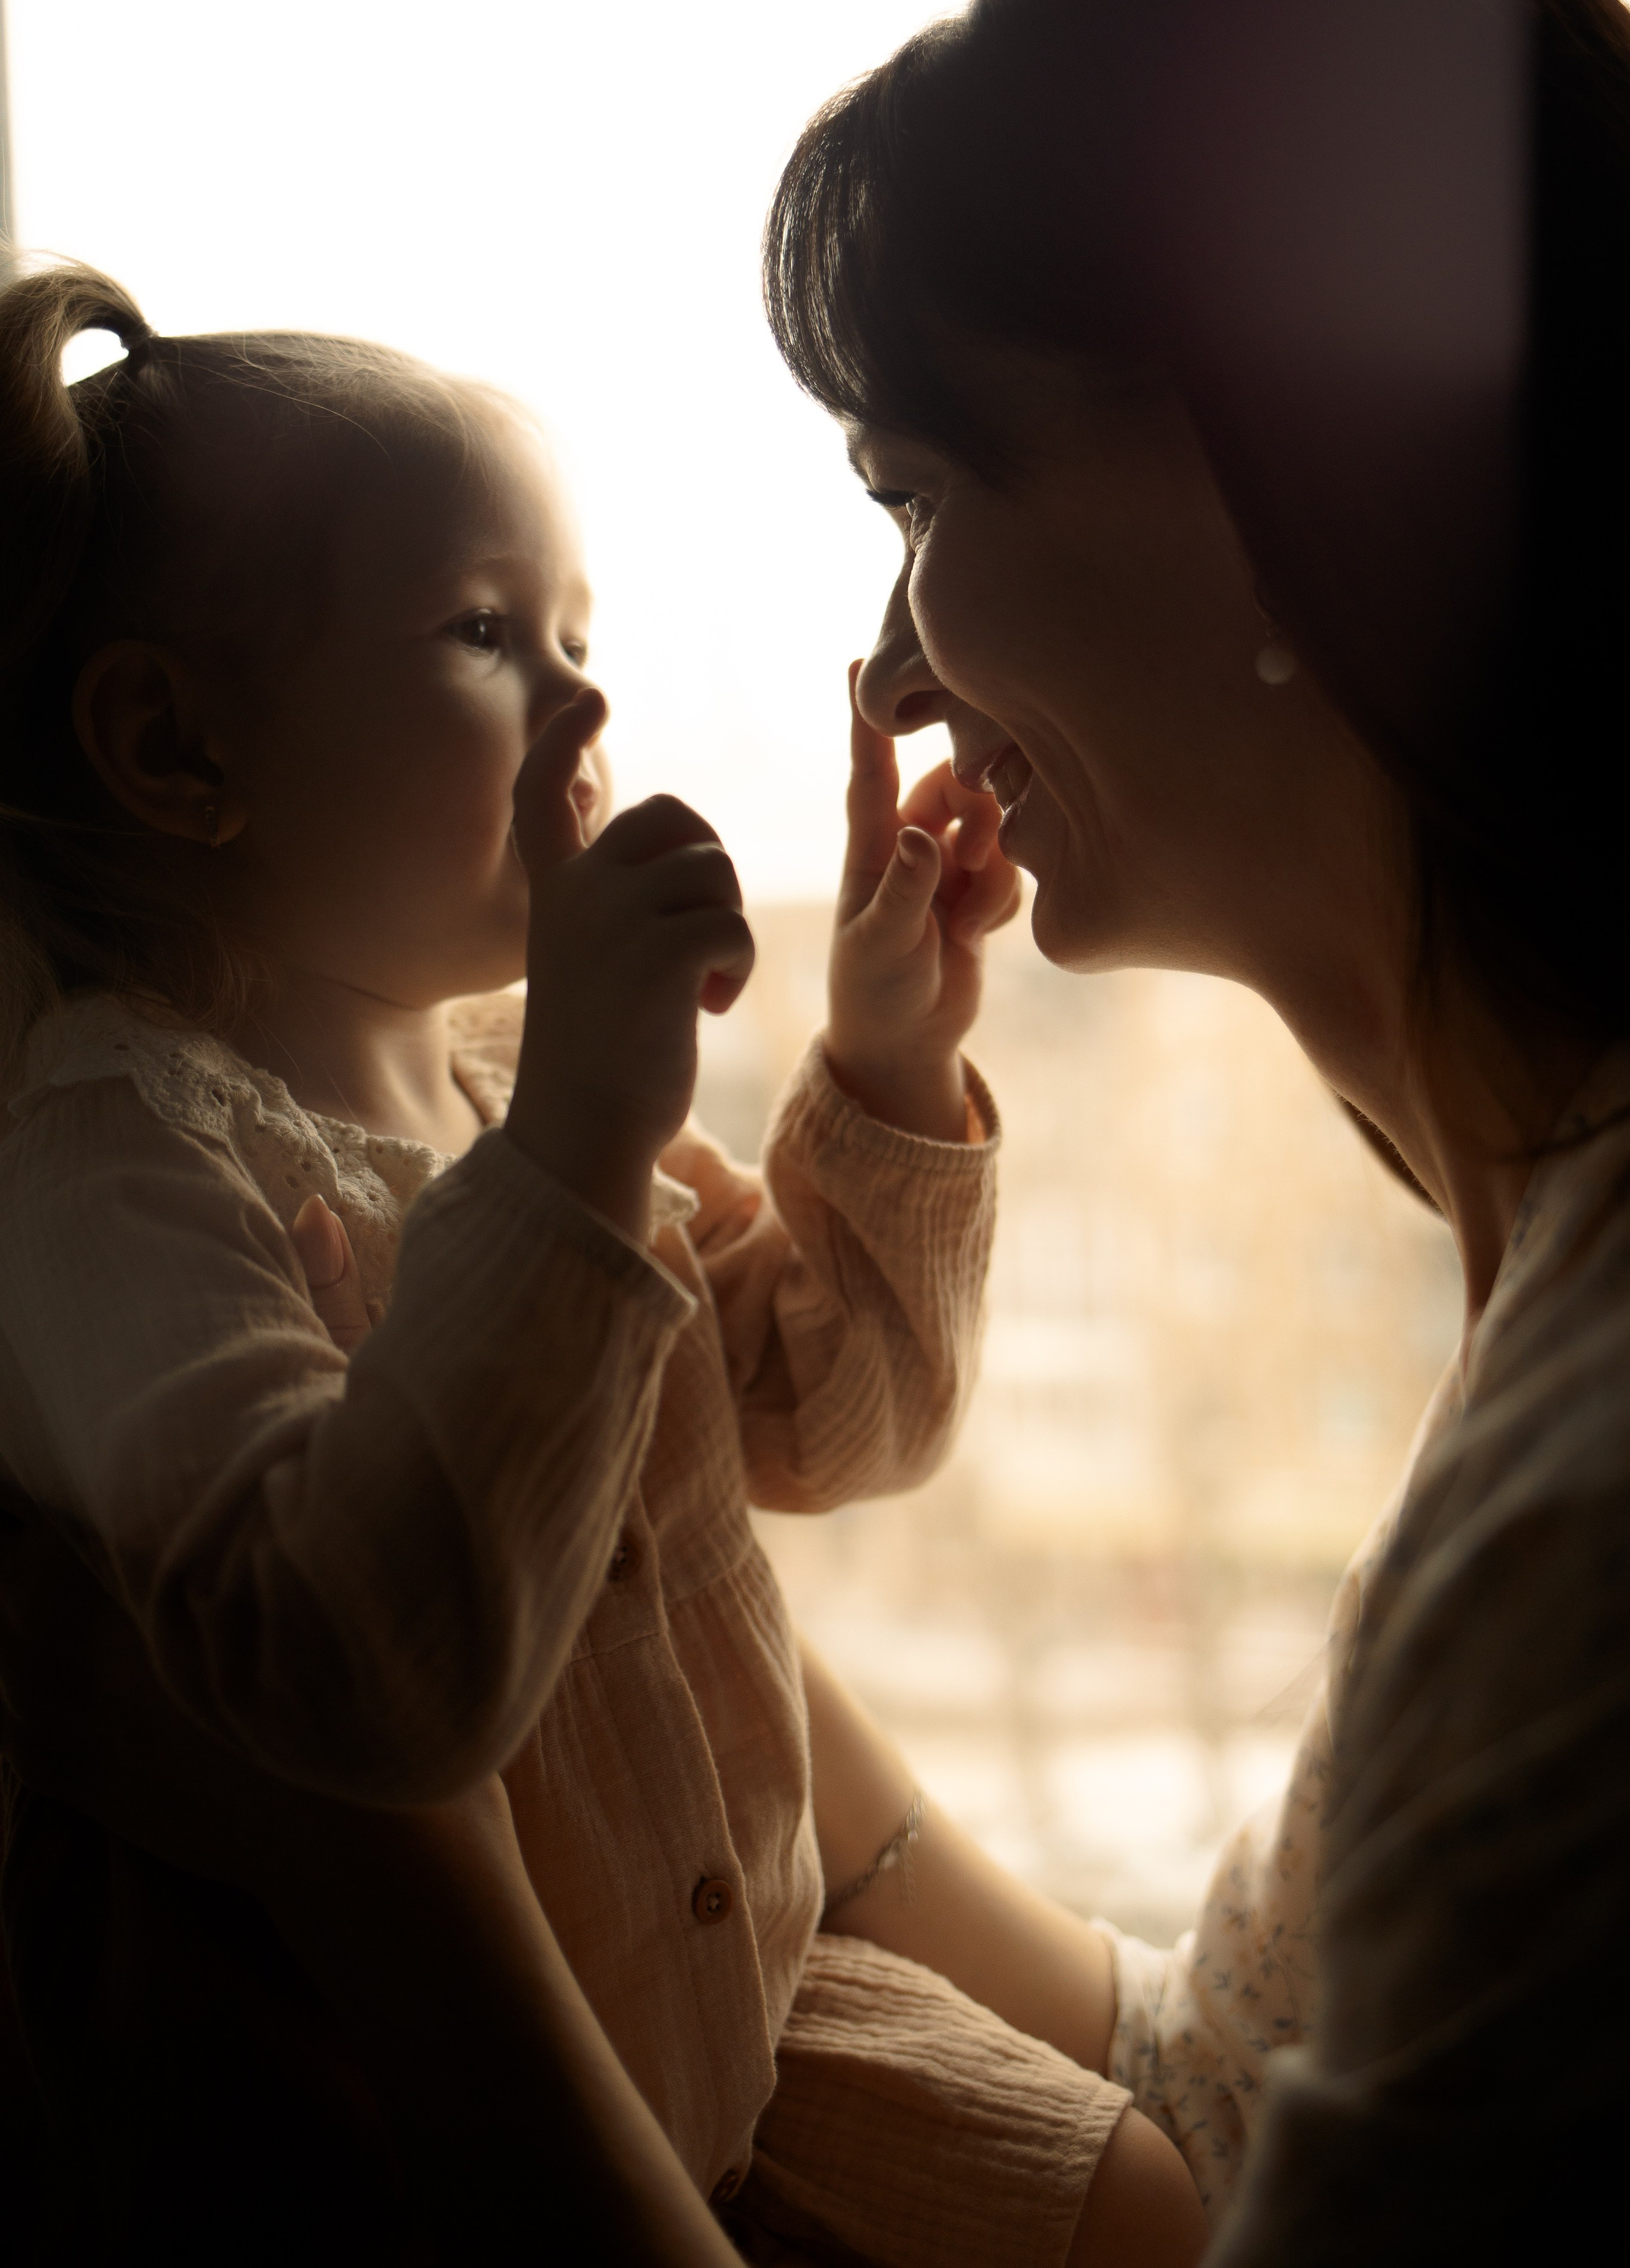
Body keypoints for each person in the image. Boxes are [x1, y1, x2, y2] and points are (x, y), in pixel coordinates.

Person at [0, 259, 1206, 2265]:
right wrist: (571, 1150)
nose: (586, 704)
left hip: (758, 1999)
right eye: (486, 635)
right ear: (176, 747)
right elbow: (354, 1671)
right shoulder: (115, 1171)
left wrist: (889, 1057)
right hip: (426, 2123)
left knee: (1139, 2200)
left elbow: (837, 1422)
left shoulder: (498, 1078)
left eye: (577, 633)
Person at [760, 0, 1630, 2257]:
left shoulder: (1587, 1528)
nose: (897, 669)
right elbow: (1217, 2095)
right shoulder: (1556, 1241)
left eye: (923, 493)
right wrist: (661, 1587)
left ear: (1281, 471)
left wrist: (404, 1908)